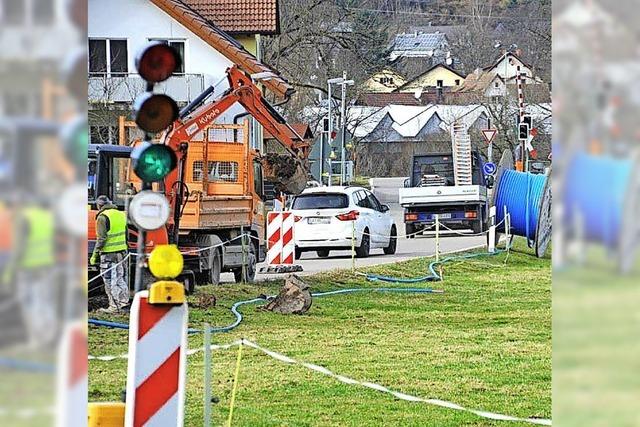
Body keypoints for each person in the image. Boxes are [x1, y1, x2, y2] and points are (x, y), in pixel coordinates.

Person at [90, 195, 129, 313]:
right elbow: (126, 235)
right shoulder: (121, 214)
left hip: (108, 255)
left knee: (109, 280)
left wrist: (94, 256)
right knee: (120, 278)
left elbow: (101, 239)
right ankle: (123, 302)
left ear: (99, 205)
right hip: (122, 253)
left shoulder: (102, 217)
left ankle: (114, 307)